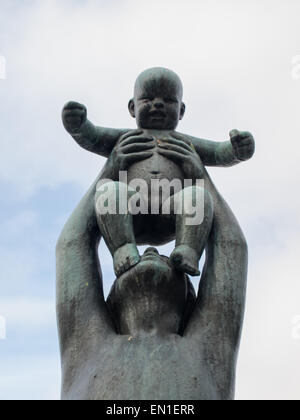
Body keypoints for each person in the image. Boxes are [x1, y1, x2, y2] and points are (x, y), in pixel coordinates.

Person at [62, 67, 254, 278]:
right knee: (109, 191)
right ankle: (123, 248)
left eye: (168, 100)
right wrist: (79, 126)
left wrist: (237, 150)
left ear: (181, 110)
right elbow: (93, 136)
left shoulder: (185, 143)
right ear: (132, 107)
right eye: (148, 99)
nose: (158, 104)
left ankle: (187, 250)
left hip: (170, 212)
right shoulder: (124, 139)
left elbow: (218, 152)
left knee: (197, 196)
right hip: (132, 211)